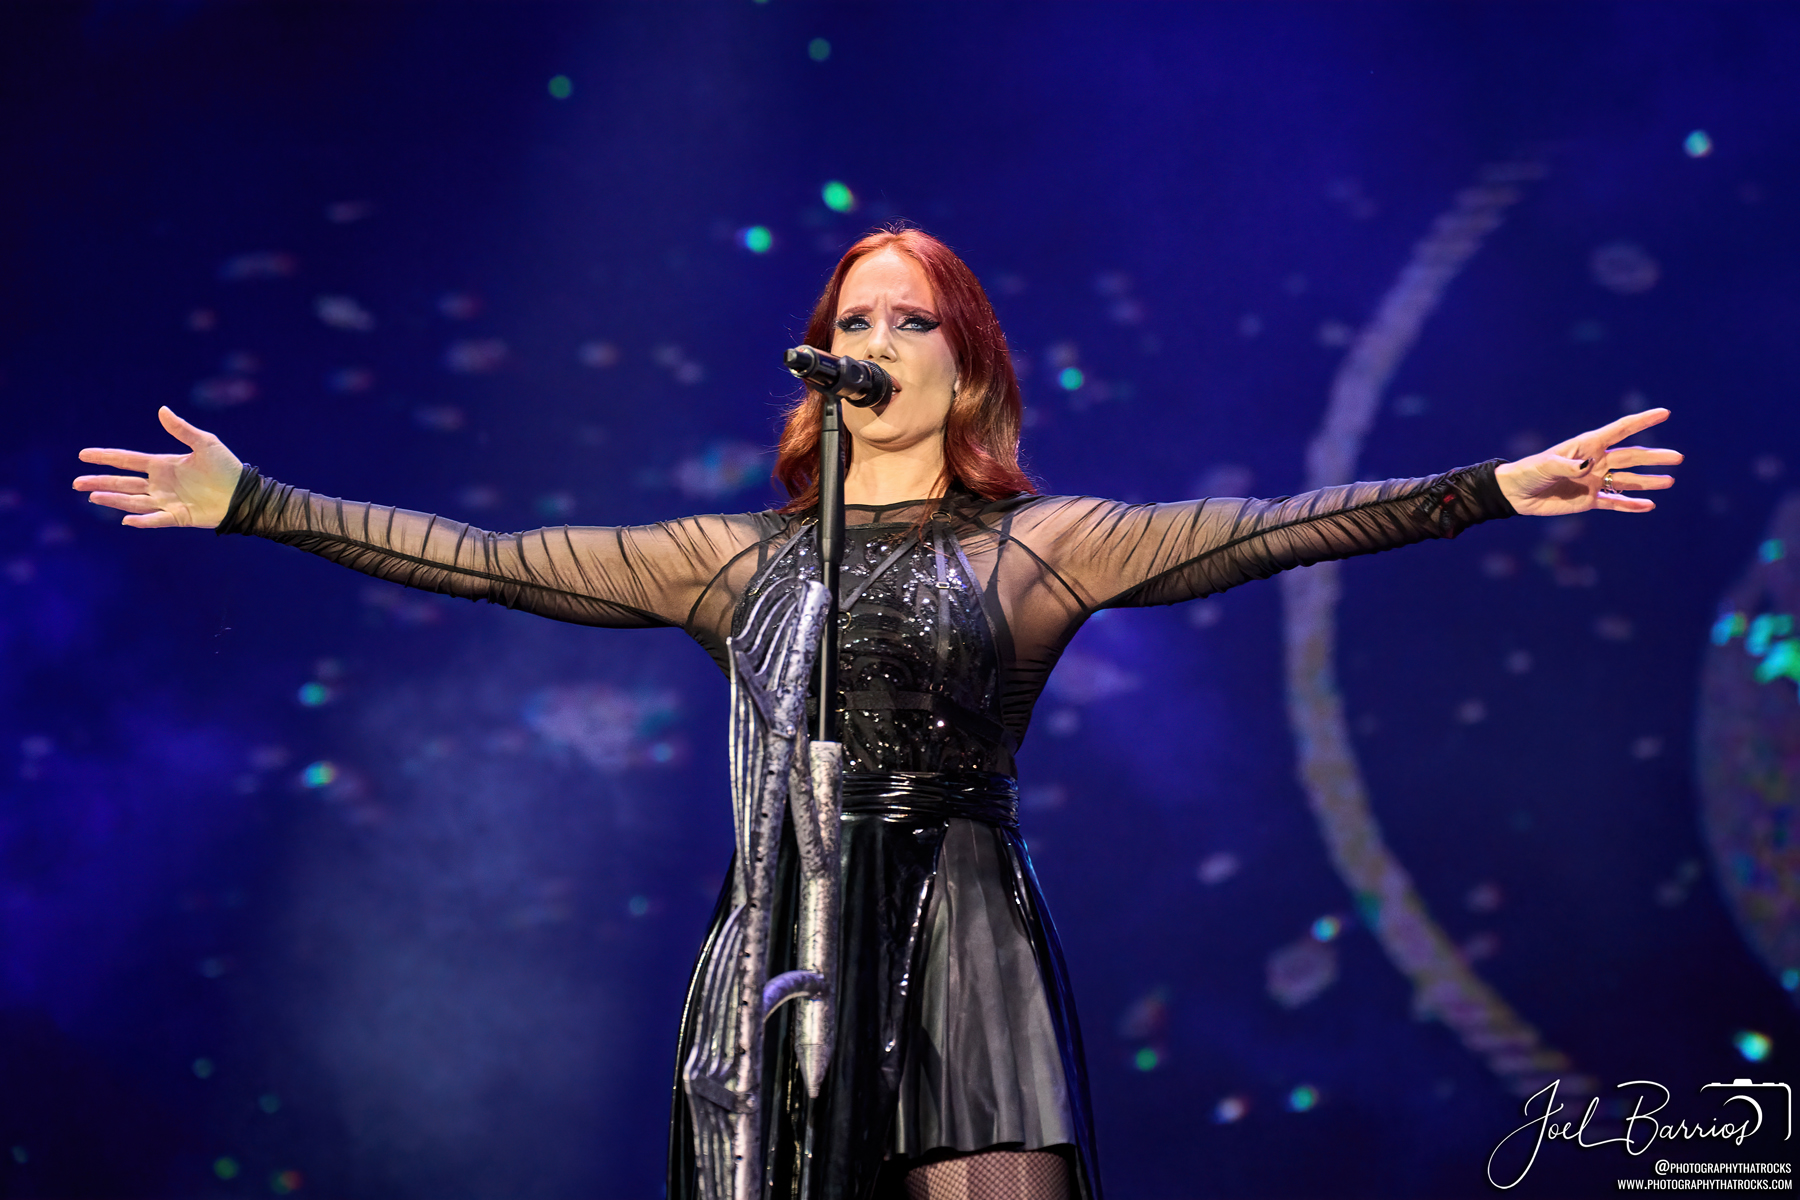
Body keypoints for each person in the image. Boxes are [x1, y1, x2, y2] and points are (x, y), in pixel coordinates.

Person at [73, 227, 1680, 1200]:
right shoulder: (738, 560)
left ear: (966, 369)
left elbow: (1270, 527)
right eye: (854, 320)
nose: (876, 341)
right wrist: (254, 502)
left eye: (912, 319)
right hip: (780, 944)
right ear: (819, 364)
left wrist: (1491, 487)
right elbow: (488, 560)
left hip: (960, 937)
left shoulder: (1036, 546)